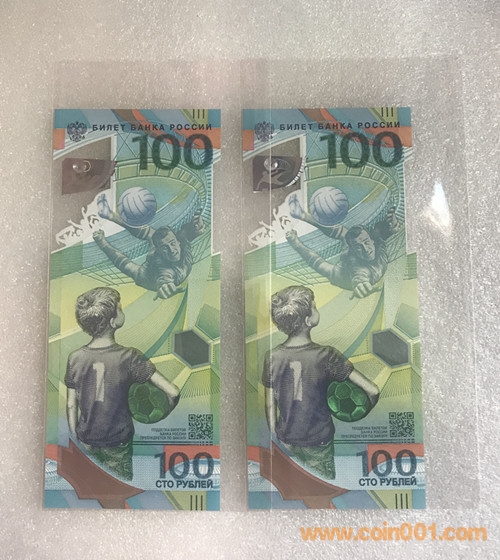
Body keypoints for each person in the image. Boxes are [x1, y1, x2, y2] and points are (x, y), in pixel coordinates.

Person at [263, 285, 379, 478]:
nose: (318, 310)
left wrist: (277, 435)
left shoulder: (272, 357)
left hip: (286, 441)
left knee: (294, 487)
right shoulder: (327, 355)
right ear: (308, 320)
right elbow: (373, 390)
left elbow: (269, 403)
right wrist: (360, 411)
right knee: (320, 487)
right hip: (319, 442)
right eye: (315, 307)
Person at [65, 287, 180, 480]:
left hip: (86, 440)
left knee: (92, 487)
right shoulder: (130, 357)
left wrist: (77, 437)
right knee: (118, 488)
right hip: (118, 443)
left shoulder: (74, 357)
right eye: (120, 308)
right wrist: (162, 410)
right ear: (112, 321)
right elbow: (173, 392)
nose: (123, 311)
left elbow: (71, 404)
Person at [287, 193, 400, 298]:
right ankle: (298, 224)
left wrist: (390, 225)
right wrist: (360, 284)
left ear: (372, 241)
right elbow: (359, 275)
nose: (366, 249)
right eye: (359, 247)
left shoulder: (376, 240)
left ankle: (300, 220)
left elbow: (382, 230)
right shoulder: (356, 264)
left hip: (340, 276)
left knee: (327, 259)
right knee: (325, 259)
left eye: (366, 242)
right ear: (352, 250)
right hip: (342, 273)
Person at [93, 194, 205, 299]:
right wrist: (165, 286)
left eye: (172, 243)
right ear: (158, 250)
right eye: (165, 248)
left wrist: (195, 225)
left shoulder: (181, 241)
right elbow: (164, 277)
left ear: (178, 242)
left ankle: (107, 220)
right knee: (130, 264)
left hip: (146, 277)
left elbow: (188, 232)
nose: (172, 250)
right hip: (147, 274)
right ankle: (105, 228)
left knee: (147, 241)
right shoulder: (162, 266)